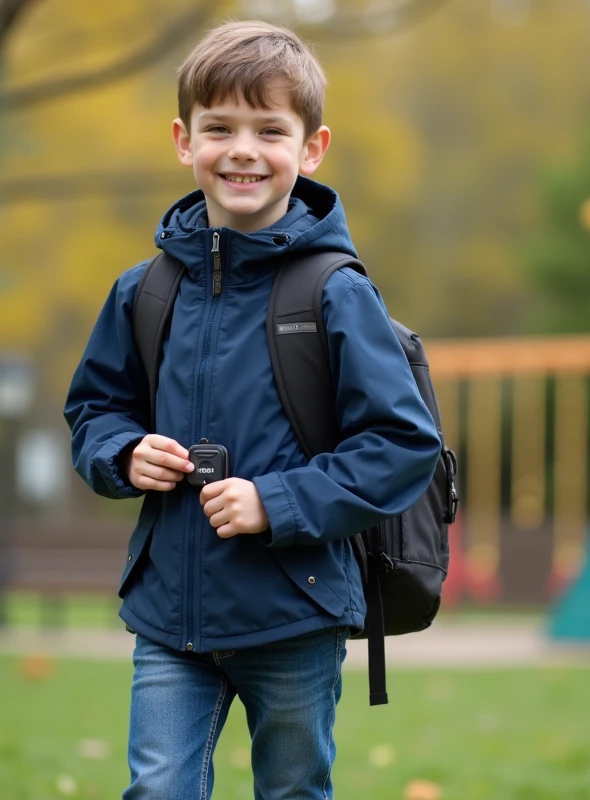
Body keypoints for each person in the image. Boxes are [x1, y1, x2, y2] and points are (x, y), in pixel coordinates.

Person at [64, 19, 441, 800]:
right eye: (220, 128)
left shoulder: (335, 292)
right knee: (157, 789)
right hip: (171, 614)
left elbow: (403, 442)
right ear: (183, 139)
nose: (242, 149)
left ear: (311, 149)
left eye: (270, 130)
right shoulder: (145, 291)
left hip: (295, 612)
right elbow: (94, 409)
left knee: (294, 791)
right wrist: (122, 453)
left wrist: (280, 500)